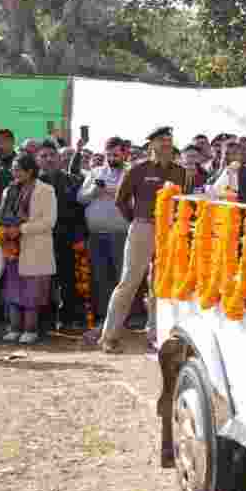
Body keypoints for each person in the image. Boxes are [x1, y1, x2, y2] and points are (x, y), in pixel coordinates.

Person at [96, 126, 188, 353]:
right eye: (161, 140)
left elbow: (186, 200)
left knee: (161, 283)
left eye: (169, 140)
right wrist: (136, 222)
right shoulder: (138, 169)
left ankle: (156, 334)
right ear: (151, 145)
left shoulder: (181, 171)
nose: (166, 144)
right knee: (129, 280)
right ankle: (109, 336)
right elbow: (120, 199)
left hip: (170, 230)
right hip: (143, 227)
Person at [0, 154, 56, 344]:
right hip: (12, 247)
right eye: (13, 169)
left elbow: (49, 222)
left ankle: (31, 330)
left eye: (18, 169)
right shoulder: (9, 190)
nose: (14, 173)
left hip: (34, 246)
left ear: (30, 171)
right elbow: (1, 215)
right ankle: (14, 328)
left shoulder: (45, 190)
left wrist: (20, 229)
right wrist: (3, 231)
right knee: (13, 287)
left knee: (32, 290)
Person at [79, 138, 131, 331]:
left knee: (121, 279)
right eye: (108, 154)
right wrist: (94, 190)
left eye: (116, 154)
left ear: (124, 154)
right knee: (100, 278)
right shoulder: (95, 173)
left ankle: (121, 321)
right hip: (97, 234)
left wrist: (114, 191)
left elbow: (135, 199)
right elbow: (81, 198)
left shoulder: (131, 173)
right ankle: (103, 319)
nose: (111, 158)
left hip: (120, 234)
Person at [36, 139, 85, 330]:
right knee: (44, 281)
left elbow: (79, 212)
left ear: (59, 158)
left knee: (68, 280)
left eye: (52, 155)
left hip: (67, 238)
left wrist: (80, 236)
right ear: (37, 159)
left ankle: (68, 319)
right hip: (40, 240)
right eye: (43, 156)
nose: (48, 159)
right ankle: (45, 320)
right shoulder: (31, 183)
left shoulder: (72, 180)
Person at [207, 139, 246, 203]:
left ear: (241, 155)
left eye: (234, 153)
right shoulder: (226, 170)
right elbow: (213, 190)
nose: (230, 156)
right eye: (227, 154)